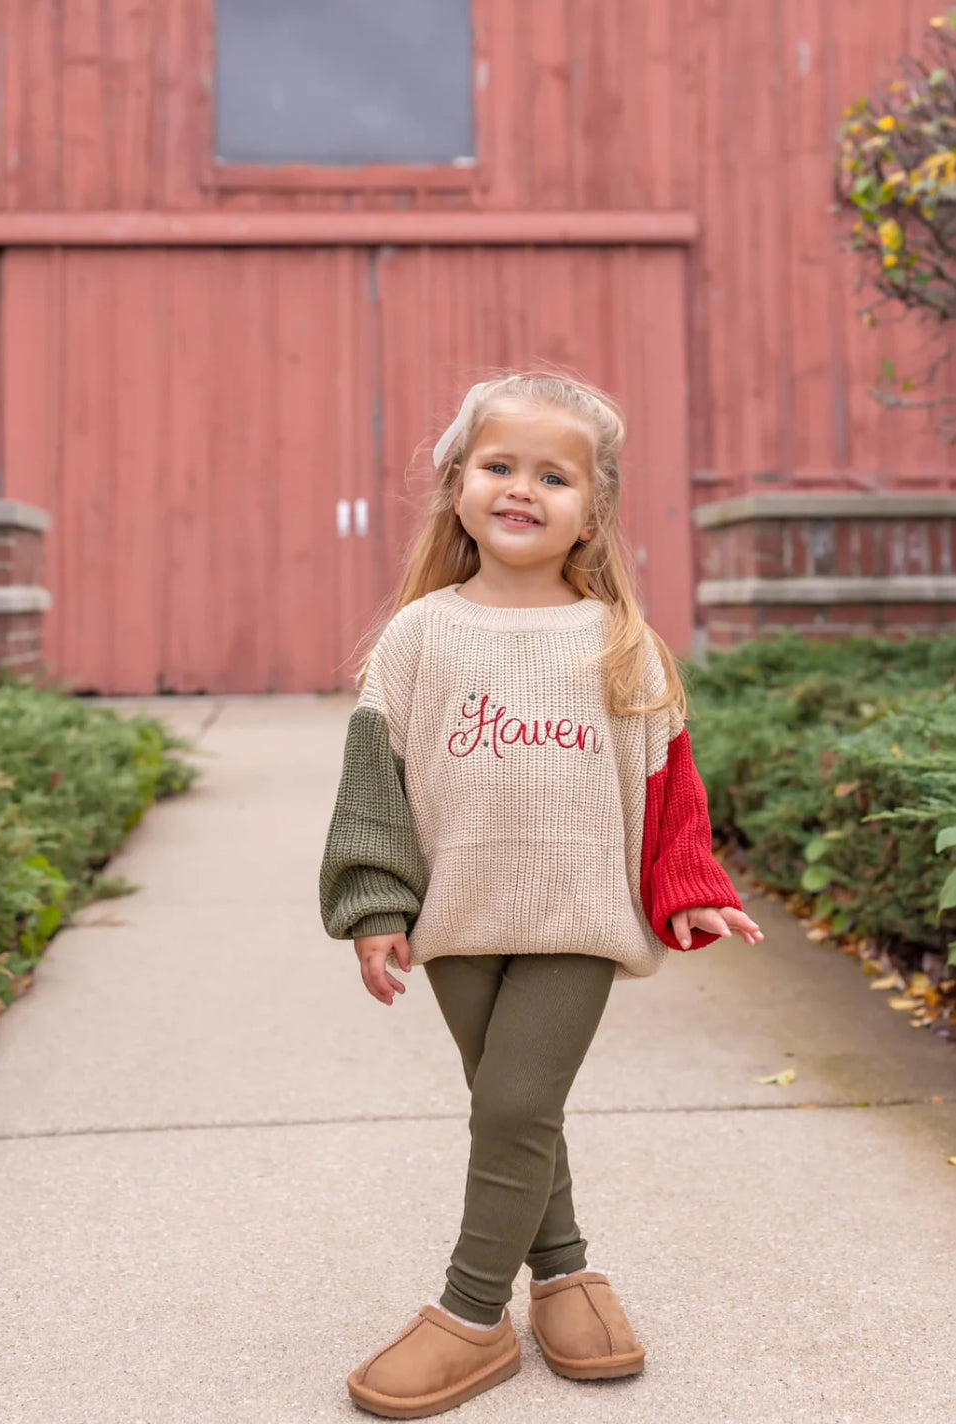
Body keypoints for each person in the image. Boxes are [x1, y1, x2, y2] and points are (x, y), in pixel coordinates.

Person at [319, 370, 763, 1419]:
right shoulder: (418, 635)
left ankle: (472, 1316)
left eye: (551, 475)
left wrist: (686, 887)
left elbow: (667, 786)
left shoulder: (615, 641)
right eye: (498, 465)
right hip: (458, 916)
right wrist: (375, 903)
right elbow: (371, 783)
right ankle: (562, 1271)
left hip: (577, 920)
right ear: (457, 486)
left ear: (591, 508)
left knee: (514, 1101)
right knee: (511, 1107)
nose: (521, 488)